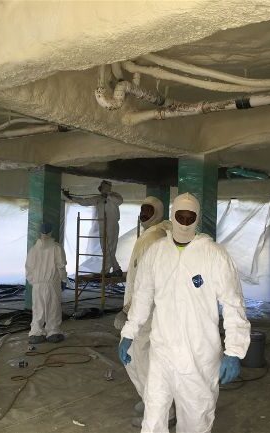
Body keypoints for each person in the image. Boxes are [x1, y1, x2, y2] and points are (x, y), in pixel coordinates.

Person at [119, 193, 251, 433]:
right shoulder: (157, 252)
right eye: (180, 216)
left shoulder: (214, 254)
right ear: (172, 216)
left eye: (190, 217)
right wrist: (129, 332)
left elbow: (233, 305)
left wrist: (234, 351)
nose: (185, 222)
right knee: (153, 419)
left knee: (195, 421)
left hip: (199, 356)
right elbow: (142, 296)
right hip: (162, 353)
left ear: (197, 219)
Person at [114, 196, 173, 427]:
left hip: (144, 311)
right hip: (143, 309)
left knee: (141, 359)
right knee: (139, 358)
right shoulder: (152, 236)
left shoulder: (153, 239)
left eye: (148, 211)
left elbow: (145, 282)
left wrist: (128, 310)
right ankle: (150, 400)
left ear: (158, 213)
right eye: (142, 210)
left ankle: (162, 412)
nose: (143, 214)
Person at [63, 180, 123, 277]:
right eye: (103, 187)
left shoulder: (115, 196)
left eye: (106, 187)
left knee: (110, 248)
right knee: (106, 249)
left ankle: (105, 271)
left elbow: (120, 201)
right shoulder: (98, 198)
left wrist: (108, 196)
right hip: (102, 224)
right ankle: (116, 269)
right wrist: (71, 197)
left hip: (112, 224)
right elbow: (84, 201)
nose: (104, 189)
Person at [26, 222, 67, 344]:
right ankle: (53, 332)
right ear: (51, 232)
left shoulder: (33, 249)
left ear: (40, 232)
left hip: (37, 285)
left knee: (38, 308)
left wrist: (34, 282)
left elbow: (28, 268)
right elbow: (61, 266)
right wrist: (63, 280)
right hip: (52, 284)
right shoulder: (56, 248)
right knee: (53, 307)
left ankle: (36, 333)